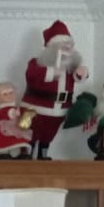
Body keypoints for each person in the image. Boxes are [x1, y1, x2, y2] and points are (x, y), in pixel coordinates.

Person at [20, 20, 88, 159]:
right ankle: (26, 154)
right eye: (61, 45)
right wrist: (50, 72)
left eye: (69, 45)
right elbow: (31, 75)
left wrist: (82, 73)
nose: (66, 48)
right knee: (28, 132)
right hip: (33, 109)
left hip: (59, 111)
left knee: (48, 135)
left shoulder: (70, 67)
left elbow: (79, 77)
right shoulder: (36, 63)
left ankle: (43, 154)